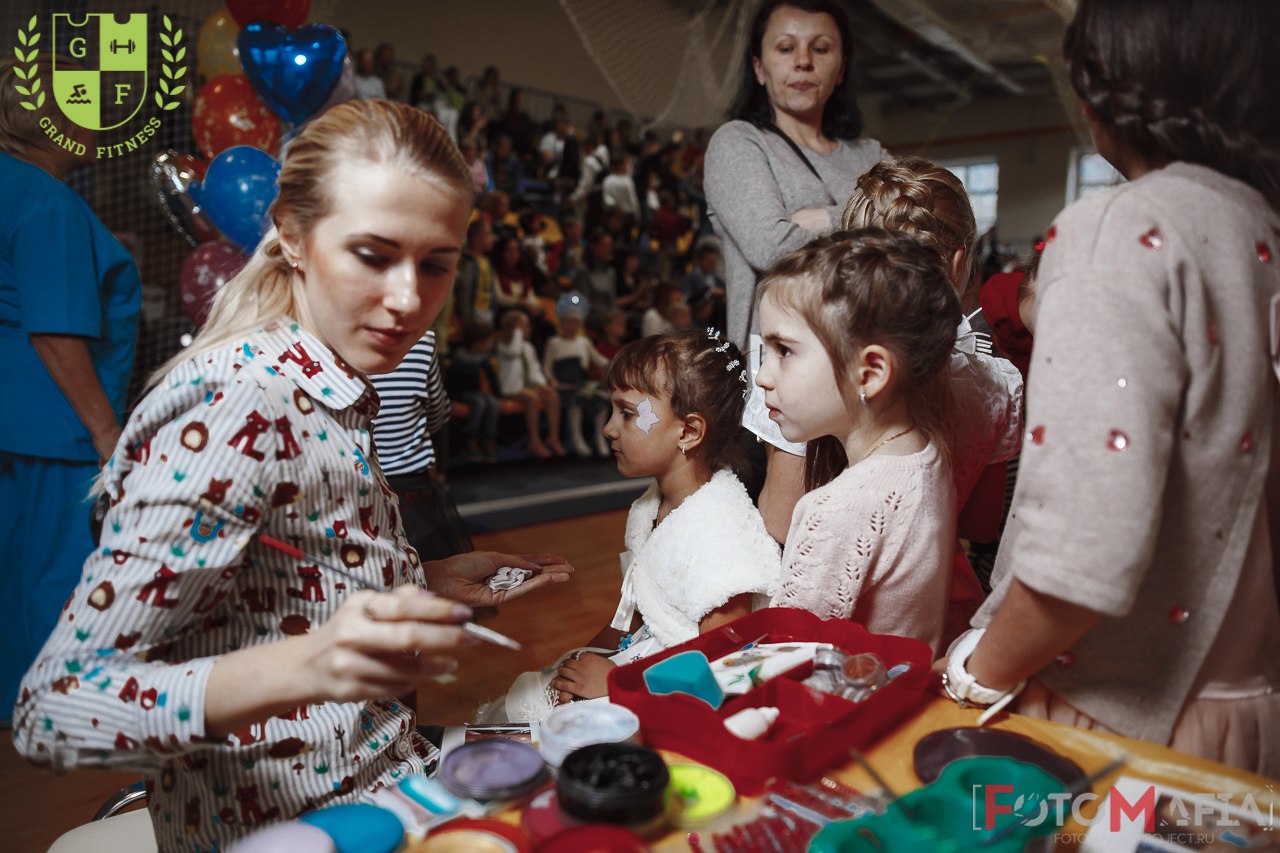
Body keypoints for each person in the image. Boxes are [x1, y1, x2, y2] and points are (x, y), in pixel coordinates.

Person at [11, 100, 573, 851]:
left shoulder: (328, 379)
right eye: (372, 255)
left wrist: (426, 580)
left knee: (600, 747)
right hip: (295, 825)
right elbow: (54, 710)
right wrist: (309, 665)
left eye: (436, 264)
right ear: (292, 235)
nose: (409, 299)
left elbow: (280, 591)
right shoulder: (239, 405)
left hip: (385, 772)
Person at [944, 0, 1280, 775]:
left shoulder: (1121, 231)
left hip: (1119, 721)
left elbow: (1079, 556)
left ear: (1108, 89)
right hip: (1245, 711)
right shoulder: (1261, 229)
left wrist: (977, 669)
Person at [479, 330, 780, 722]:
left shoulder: (719, 533)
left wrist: (621, 682)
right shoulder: (648, 507)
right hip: (640, 660)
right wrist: (577, 662)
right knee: (524, 701)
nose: (608, 428)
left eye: (627, 413)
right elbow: (633, 617)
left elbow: (725, 665)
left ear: (688, 431)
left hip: (673, 695)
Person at [704, 0, 885, 543]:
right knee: (782, 544)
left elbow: (908, 232)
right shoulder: (739, 142)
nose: (803, 61)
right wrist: (861, 214)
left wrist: (821, 218)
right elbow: (772, 245)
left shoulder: (869, 153)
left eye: (820, 48)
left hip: (868, 372)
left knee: (862, 538)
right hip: (777, 379)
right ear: (759, 67)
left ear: (841, 66)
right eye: (786, 48)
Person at [0, 55, 141, 719]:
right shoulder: (47, 201)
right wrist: (107, 432)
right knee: (55, 575)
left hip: (14, 412)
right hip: (53, 422)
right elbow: (56, 331)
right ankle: (48, 713)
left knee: (11, 565)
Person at [840, 155, 1025, 643]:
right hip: (942, 604)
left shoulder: (813, 370)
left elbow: (780, 518)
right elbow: (981, 525)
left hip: (836, 610)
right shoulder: (997, 383)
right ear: (959, 262)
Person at [758, 229, 960, 654]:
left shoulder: (836, 508)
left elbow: (784, 655)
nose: (762, 376)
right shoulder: (927, 452)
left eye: (784, 351)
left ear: (869, 373)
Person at [370, 331, 473, 561]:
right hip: (410, 484)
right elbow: (438, 415)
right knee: (428, 568)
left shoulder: (328, 337)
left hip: (360, 482)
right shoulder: (420, 340)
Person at [494, 310, 564, 459]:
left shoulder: (528, 347)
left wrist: (541, 384)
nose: (528, 329)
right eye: (523, 327)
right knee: (532, 398)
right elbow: (513, 352)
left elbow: (534, 369)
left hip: (526, 386)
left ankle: (553, 437)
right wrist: (517, 333)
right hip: (510, 387)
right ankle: (534, 440)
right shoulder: (503, 345)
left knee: (552, 395)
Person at [543, 309, 610, 458]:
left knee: (602, 395)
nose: (572, 326)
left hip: (581, 382)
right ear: (561, 324)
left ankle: (599, 437)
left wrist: (616, 364)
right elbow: (547, 367)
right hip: (564, 384)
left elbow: (599, 359)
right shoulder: (554, 342)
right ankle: (576, 438)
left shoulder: (584, 341)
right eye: (569, 322)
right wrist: (552, 380)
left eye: (576, 323)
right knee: (578, 397)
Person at [445, 319, 503, 463]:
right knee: (479, 402)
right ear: (479, 342)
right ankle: (470, 438)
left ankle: (489, 438)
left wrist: (498, 394)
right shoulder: (460, 357)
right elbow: (450, 381)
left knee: (491, 401)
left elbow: (491, 377)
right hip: (461, 393)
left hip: (475, 392)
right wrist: (450, 399)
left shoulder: (482, 358)